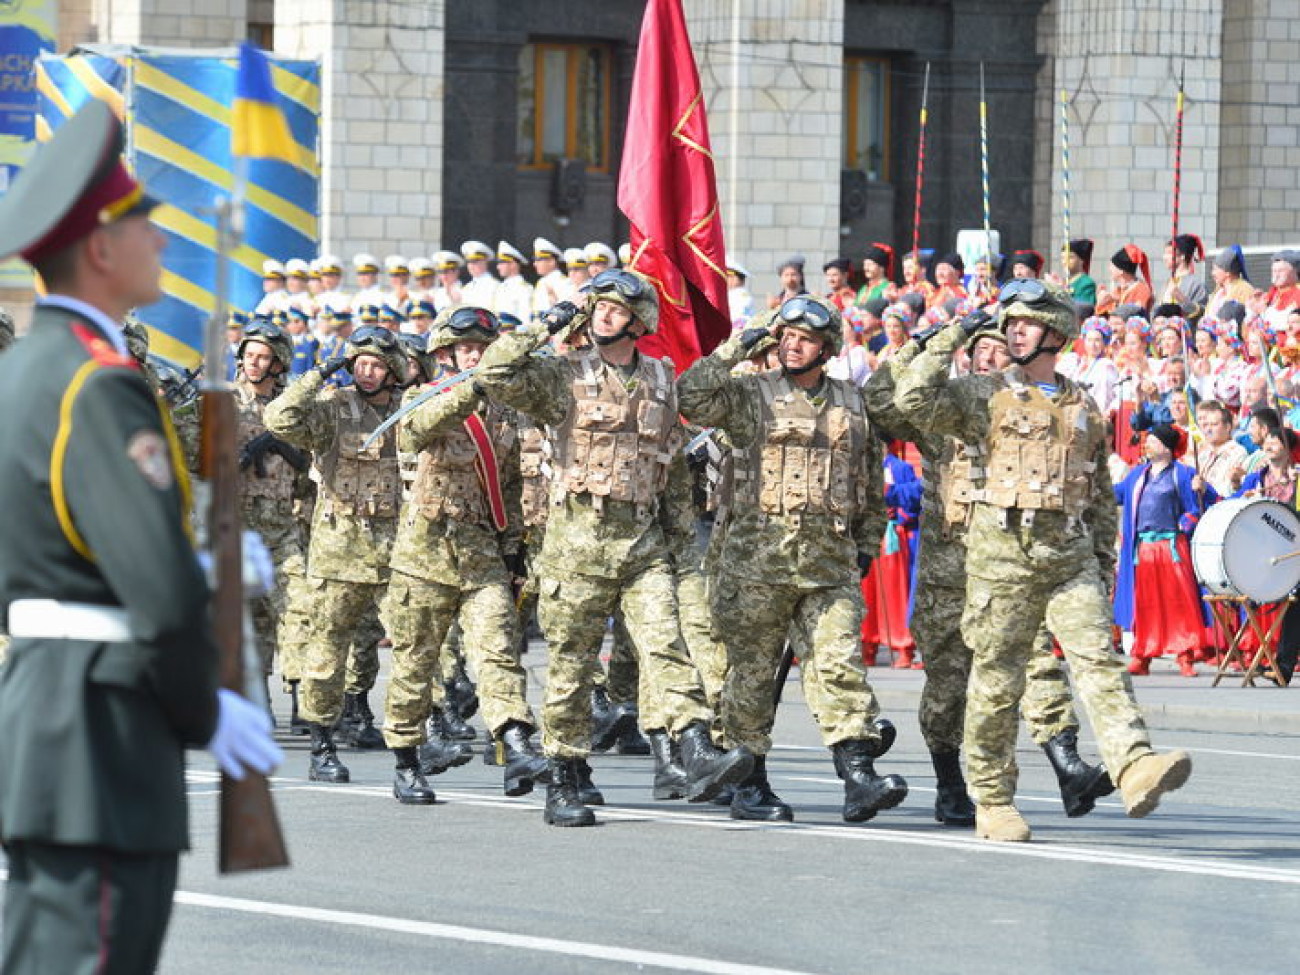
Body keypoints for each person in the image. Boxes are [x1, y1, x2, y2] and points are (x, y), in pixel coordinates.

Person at [0, 99, 279, 974]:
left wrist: (197, 557)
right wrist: (208, 709)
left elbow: (70, 541)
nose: (160, 241)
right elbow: (154, 591)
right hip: (103, 737)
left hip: (55, 716)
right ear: (99, 247)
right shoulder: (99, 381)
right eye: (143, 224)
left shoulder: (25, 371)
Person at [895, 279, 1191, 842]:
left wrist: (1103, 564)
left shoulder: (1083, 403)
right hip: (1001, 560)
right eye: (1010, 323)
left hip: (1067, 556)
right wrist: (949, 336)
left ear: (1055, 335)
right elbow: (912, 400)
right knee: (998, 683)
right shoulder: (981, 393)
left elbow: (1101, 495)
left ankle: (1133, 765)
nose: (1013, 331)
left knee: (1098, 661)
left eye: (1026, 323)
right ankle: (992, 798)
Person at [476, 270, 753, 826]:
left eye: (615, 307)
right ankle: (563, 775)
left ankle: (694, 744)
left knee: (665, 644)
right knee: (572, 669)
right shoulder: (561, 375)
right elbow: (494, 371)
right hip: (575, 547)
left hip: (641, 543)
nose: (603, 314)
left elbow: (670, 471)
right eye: (598, 306)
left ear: (639, 320)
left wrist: (680, 551)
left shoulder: (660, 379)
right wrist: (548, 322)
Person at [865, 323, 1115, 826]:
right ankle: (951, 785)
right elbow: (879, 401)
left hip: (1009, 568)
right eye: (979, 350)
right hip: (949, 576)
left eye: (998, 351)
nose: (987, 359)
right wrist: (926, 344)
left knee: (1037, 663)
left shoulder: (1025, 415)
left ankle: (1067, 764)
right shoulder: (940, 415)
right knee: (948, 688)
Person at [678, 294, 909, 824]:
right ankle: (750, 782)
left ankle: (857, 777)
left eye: (804, 338)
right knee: (750, 677)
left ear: (826, 348)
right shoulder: (749, 395)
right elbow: (691, 394)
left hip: (828, 565)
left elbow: (870, 485)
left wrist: (867, 547)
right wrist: (745, 339)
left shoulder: (852, 403)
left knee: (839, 666)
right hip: (753, 564)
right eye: (785, 336)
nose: (791, 343)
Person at [382, 306, 549, 803]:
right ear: (447, 354)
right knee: (416, 664)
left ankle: (515, 740)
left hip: (481, 552)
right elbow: (417, 430)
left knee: (497, 648)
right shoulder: (420, 396)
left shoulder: (507, 413)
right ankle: (407, 760)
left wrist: (516, 552)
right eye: (465, 349)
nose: (474, 355)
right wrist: (473, 386)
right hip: (424, 554)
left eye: (482, 348)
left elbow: (514, 484)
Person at [264, 325, 409, 783]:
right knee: (326, 654)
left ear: (393, 370)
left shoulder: (409, 411)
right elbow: (280, 419)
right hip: (338, 554)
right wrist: (321, 372)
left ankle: (412, 748)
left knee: (414, 645)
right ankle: (322, 742)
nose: (366, 373)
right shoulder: (333, 408)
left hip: (397, 552)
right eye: (359, 363)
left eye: (376, 365)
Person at [1113, 426, 1217, 677]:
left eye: (1152, 441)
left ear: (1167, 448)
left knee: (1179, 601)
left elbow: (1205, 503)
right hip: (1143, 549)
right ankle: (1142, 654)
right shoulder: (1138, 474)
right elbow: (1116, 494)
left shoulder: (1183, 474)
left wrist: (1200, 491)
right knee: (1145, 602)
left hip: (1172, 546)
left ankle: (1185, 655)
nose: (1146, 445)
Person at [1161, 234, 1208, 322]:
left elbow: (1202, 314)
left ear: (1182, 256)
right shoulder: (1169, 282)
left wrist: (1182, 299)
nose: (1164, 257)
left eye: (1168, 253)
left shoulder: (1196, 284)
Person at [1096, 245, 1153, 316]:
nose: (1109, 269)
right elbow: (1103, 317)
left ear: (1121, 271)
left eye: (1112, 266)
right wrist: (1101, 302)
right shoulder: (1118, 291)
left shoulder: (1142, 290)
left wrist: (1116, 300)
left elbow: (1137, 314)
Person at [1205, 246, 1255, 321]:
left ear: (1227, 272)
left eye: (1215, 269)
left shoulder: (1244, 290)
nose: (1213, 273)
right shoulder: (1218, 291)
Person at [1064, 239, 1096, 306]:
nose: (1065, 262)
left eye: (1070, 257)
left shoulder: (1087, 283)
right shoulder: (1066, 281)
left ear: (1081, 260)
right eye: (1063, 258)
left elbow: (1085, 308)